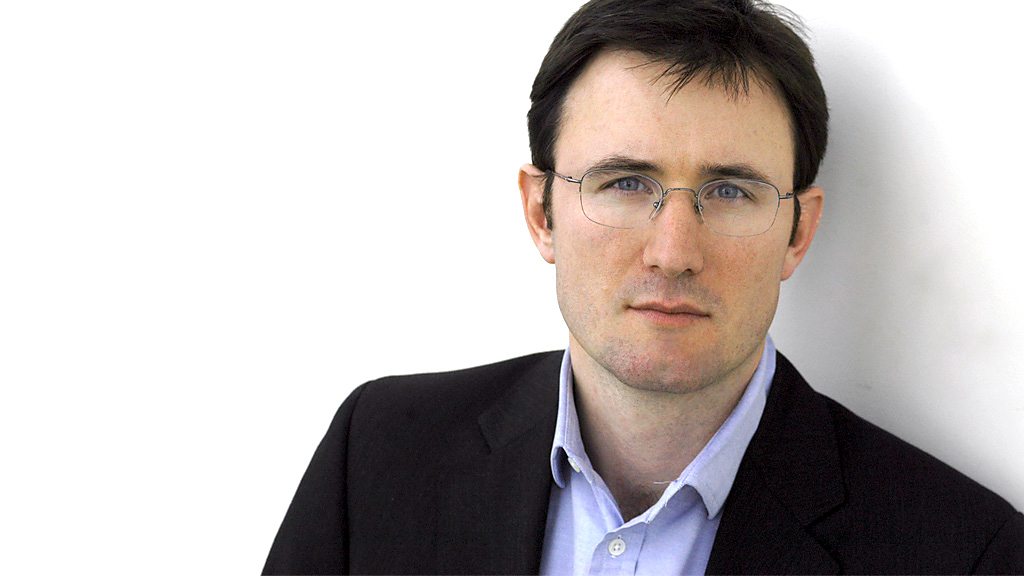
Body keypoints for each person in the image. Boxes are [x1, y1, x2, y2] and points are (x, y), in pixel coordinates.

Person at [263, 0, 1024, 573]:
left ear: (798, 233)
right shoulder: (378, 453)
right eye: (626, 182)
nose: (674, 253)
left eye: (730, 191)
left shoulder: (965, 553)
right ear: (541, 213)